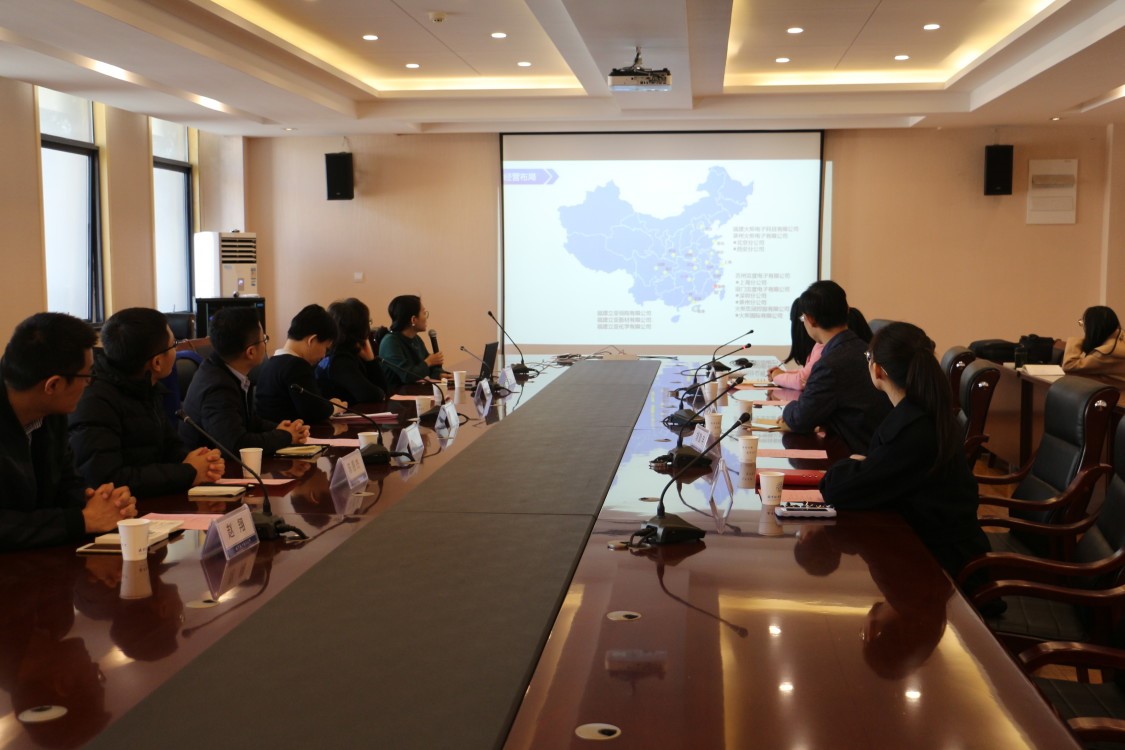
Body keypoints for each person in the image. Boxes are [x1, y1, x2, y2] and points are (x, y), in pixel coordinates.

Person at [819, 321, 990, 580]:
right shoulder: (923, 412)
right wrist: (865, 466)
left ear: (878, 370)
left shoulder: (913, 429)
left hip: (942, 569)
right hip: (933, 548)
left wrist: (853, 464)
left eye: (868, 357)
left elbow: (835, 489)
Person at [0, 312, 136, 551]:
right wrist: (82, 520)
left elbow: (66, 484)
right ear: (53, 385)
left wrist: (96, 501)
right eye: (87, 376)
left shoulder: (51, 412)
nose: (89, 384)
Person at [68, 308, 224, 498]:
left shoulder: (147, 387)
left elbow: (170, 448)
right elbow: (107, 480)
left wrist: (201, 462)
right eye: (174, 344)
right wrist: (188, 471)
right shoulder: (95, 401)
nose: (176, 350)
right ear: (157, 362)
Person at [179, 307, 309, 455]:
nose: (265, 343)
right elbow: (236, 445)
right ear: (251, 352)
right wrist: (285, 436)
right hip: (213, 466)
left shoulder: (225, 371)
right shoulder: (218, 388)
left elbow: (249, 422)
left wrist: (280, 428)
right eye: (264, 339)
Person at [780, 281, 891, 451]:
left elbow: (799, 419)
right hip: (878, 446)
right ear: (847, 310)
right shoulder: (865, 348)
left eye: (802, 319)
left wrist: (788, 408)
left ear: (811, 319)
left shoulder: (829, 365)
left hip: (857, 452)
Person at [256, 304, 343, 423]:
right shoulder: (297, 366)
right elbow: (314, 412)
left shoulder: (270, 363)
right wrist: (334, 407)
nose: (324, 355)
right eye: (326, 348)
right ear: (312, 340)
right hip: (289, 432)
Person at [316, 298, 389, 403]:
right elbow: (372, 395)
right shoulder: (339, 360)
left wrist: (370, 361)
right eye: (368, 322)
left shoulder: (348, 352)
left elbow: (383, 391)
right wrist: (371, 362)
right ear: (360, 328)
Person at [378, 295, 445, 389]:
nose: (426, 317)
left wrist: (439, 374)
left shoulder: (416, 339)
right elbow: (407, 376)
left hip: (413, 392)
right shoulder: (390, 342)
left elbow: (428, 369)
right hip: (395, 395)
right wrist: (429, 361)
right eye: (423, 313)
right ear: (413, 319)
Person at [1061, 305, 1125, 388]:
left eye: (1083, 323)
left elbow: (1069, 366)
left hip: (1117, 395)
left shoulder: (1107, 352)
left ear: (1092, 327)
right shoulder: (1120, 340)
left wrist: (1077, 341)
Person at [769, 298, 822, 390]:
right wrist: (781, 374)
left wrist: (776, 376)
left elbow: (802, 381)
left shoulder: (822, 346)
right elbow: (806, 374)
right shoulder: (820, 345)